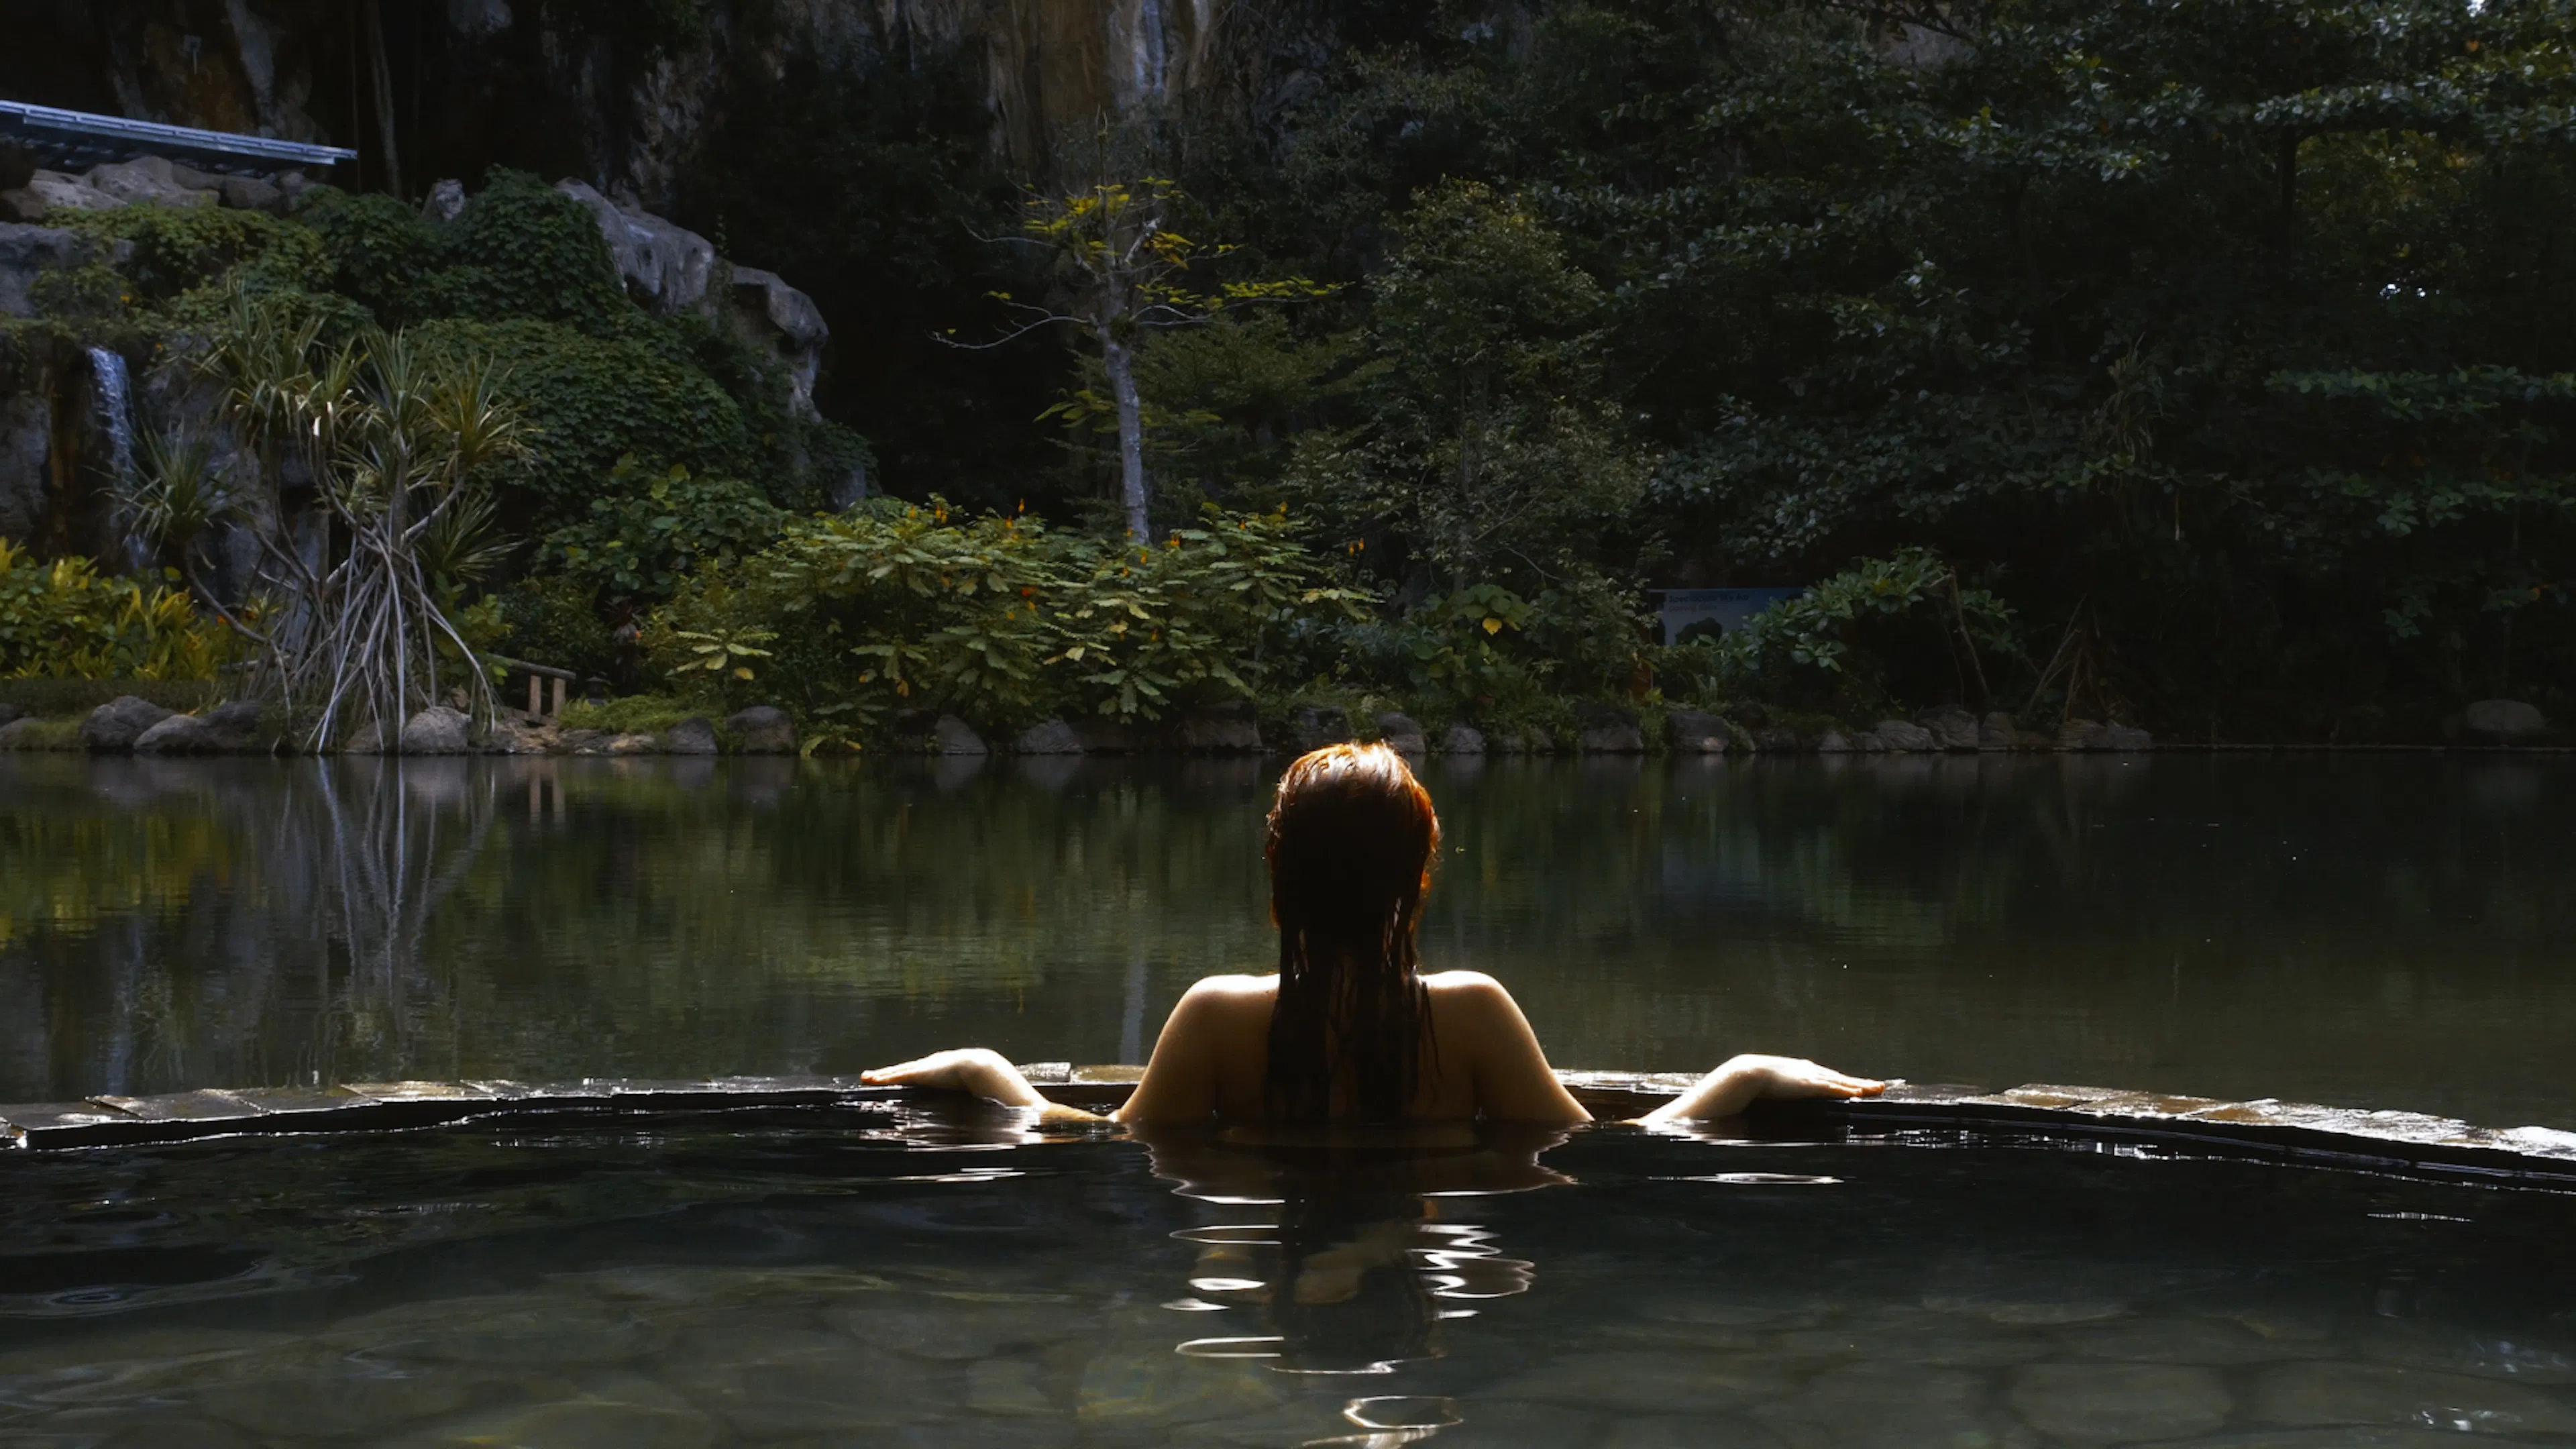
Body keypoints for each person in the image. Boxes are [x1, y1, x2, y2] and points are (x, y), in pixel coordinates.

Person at [863, 743, 1885, 1126]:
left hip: (1259, 1242)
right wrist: (1743, 1072)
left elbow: (1096, 1142)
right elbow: (1610, 1150)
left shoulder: (1216, 1017)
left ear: (1281, 880)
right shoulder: (1472, 1013)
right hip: (1429, 1234)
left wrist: (988, 1068)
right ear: (1414, 882)